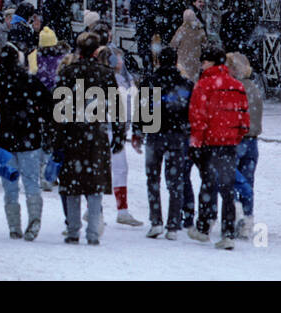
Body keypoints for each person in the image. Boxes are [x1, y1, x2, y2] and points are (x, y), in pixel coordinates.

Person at [55, 31, 117, 245]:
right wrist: (118, 134)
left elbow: (58, 109)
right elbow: (115, 107)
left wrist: (57, 138)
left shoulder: (68, 72)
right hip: (96, 131)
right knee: (95, 184)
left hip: (73, 132)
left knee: (72, 183)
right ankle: (92, 232)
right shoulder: (105, 73)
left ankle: (73, 230)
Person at [188, 44, 250, 250]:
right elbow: (244, 117)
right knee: (227, 188)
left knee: (208, 184)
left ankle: (204, 227)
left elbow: (198, 117)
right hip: (229, 142)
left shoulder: (203, 85)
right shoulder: (237, 85)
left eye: (204, 61)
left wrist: (196, 141)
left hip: (209, 142)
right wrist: (235, 135)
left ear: (209, 62)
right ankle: (228, 232)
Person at [0, 40, 53, 241]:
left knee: (10, 186)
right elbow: (48, 105)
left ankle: (14, 226)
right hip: (29, 136)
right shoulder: (28, 80)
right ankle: (34, 218)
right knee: (31, 181)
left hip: (4, 140)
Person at [143, 47, 193, 239]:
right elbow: (189, 111)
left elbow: (144, 110)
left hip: (155, 134)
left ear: (158, 61)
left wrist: (140, 131)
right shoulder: (185, 84)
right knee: (175, 180)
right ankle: (173, 224)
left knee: (152, 179)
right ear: (175, 62)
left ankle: (156, 221)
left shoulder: (150, 82)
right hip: (177, 136)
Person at [107, 45, 144, 227]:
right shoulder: (109, 78)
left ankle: (122, 210)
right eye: (118, 58)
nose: (121, 62)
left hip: (119, 129)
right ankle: (93, 210)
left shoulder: (126, 79)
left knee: (120, 169)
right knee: (103, 169)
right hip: (107, 129)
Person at [227, 52, 263, 237]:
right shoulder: (255, 89)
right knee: (248, 182)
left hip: (236, 139)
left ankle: (236, 213)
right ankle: (248, 219)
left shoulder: (235, 89)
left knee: (230, 179)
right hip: (252, 140)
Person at [171, 7, 207, 82]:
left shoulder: (182, 30)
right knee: (194, 78)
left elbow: (173, 44)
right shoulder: (199, 29)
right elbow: (205, 44)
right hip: (195, 58)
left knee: (184, 77)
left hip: (183, 58)